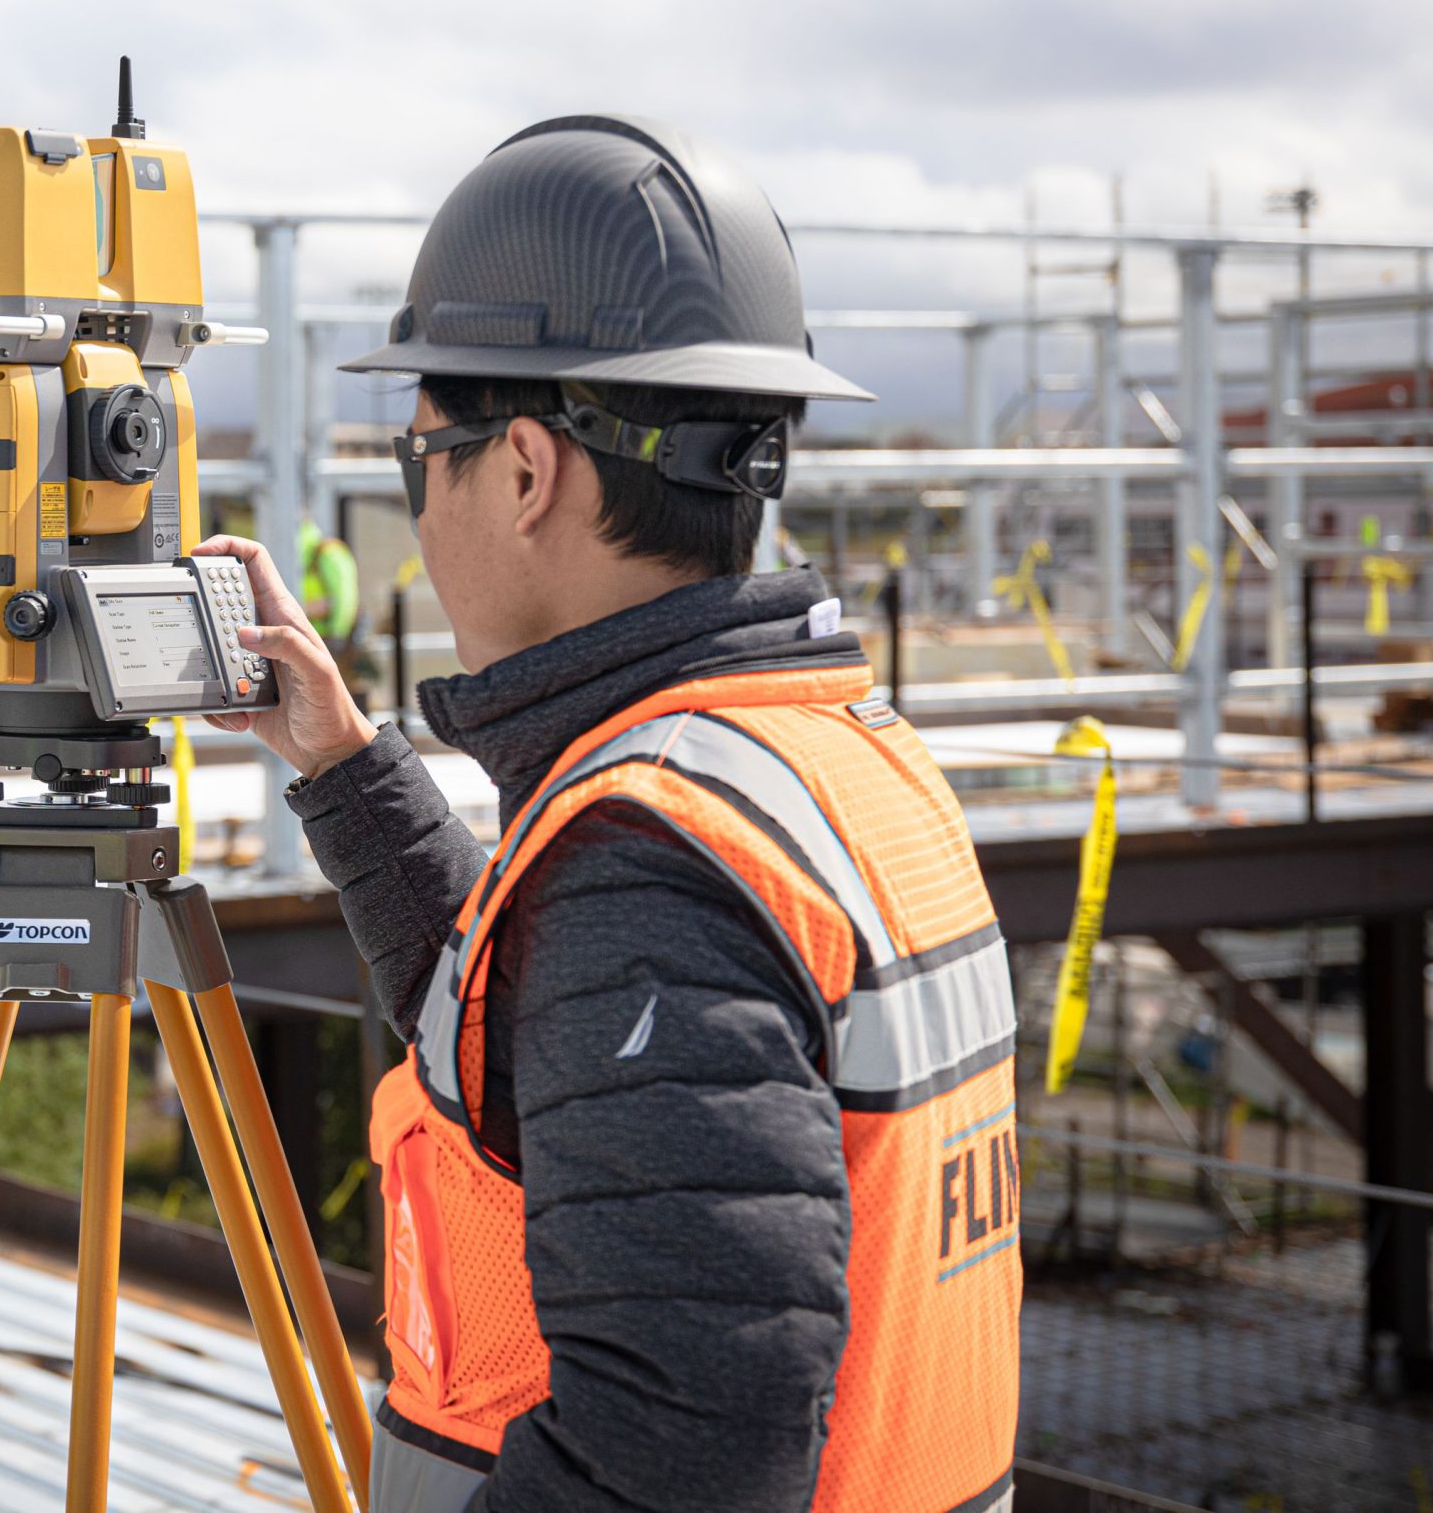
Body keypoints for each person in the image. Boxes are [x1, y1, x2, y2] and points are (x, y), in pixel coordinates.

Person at [196, 117, 1020, 1512]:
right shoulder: (827, 763)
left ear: (523, 470)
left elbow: (683, 1447)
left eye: (417, 461)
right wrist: (342, 762)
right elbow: (538, 1042)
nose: (417, 503)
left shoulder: (654, 860)